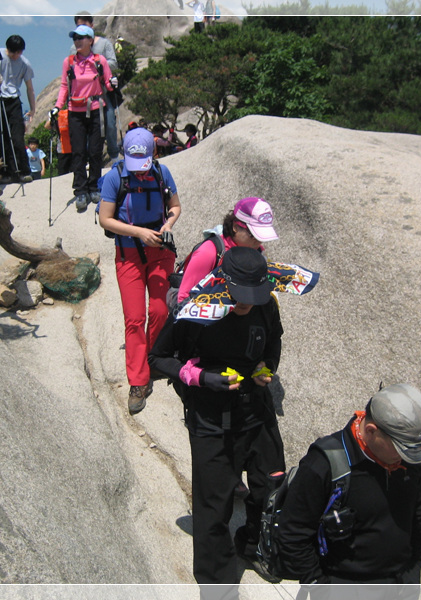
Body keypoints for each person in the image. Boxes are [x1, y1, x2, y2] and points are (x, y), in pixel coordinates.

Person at [149, 246, 286, 591]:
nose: (247, 303)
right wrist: (200, 377)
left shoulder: (266, 304)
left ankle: (253, 545)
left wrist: (266, 368)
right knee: (213, 510)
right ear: (223, 282)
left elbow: (274, 343)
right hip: (211, 420)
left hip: (256, 410)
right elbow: (157, 359)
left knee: (270, 486)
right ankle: (218, 587)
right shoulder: (195, 311)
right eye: (241, 296)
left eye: (254, 295)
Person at [275, 384, 421, 597]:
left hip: (400, 582)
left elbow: (420, 514)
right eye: (401, 448)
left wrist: (414, 569)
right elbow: (292, 533)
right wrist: (320, 586)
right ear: (372, 431)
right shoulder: (323, 465)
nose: (408, 456)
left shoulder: (408, 456)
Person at [98, 127, 181, 415]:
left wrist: (167, 225)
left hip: (159, 251)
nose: (138, 171)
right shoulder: (114, 178)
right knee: (135, 318)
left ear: (153, 153)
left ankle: (151, 357)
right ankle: (138, 380)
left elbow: (175, 206)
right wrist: (138, 232)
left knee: (160, 310)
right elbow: (105, 219)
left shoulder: (162, 173)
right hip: (129, 253)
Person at [51, 24, 115, 212]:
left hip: (96, 109)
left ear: (90, 40)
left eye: (81, 37)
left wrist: (113, 84)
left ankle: (94, 186)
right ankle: (80, 190)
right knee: (78, 151)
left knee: (95, 150)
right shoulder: (69, 62)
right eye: (75, 38)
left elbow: (108, 85)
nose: (77, 41)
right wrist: (57, 106)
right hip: (75, 111)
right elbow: (64, 86)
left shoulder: (99, 60)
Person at [177, 197, 278, 304]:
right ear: (235, 227)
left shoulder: (258, 252)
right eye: (253, 234)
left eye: (262, 236)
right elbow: (184, 298)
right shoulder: (209, 252)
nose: (259, 241)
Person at [0, 35, 36, 184]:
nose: (15, 55)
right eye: (12, 52)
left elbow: (30, 88)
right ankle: (3, 173)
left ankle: (22, 170)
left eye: (18, 52)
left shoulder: (25, 63)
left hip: (13, 100)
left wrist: (33, 110)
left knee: (17, 137)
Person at [74, 12, 120, 162]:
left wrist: (98, 65)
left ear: (92, 26)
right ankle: (91, 159)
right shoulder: (74, 46)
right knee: (87, 128)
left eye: (84, 26)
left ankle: (114, 154)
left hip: (104, 92)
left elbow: (113, 62)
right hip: (84, 95)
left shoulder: (104, 43)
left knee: (110, 124)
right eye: (78, 26)